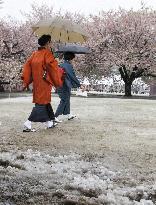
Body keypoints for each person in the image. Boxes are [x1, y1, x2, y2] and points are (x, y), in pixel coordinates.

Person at [22, 34, 63, 132]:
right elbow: (52, 68)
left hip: (37, 82)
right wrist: (56, 62)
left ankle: (50, 122)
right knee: (41, 103)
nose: (51, 44)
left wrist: (27, 80)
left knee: (45, 101)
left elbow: (27, 67)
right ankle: (28, 122)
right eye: (50, 42)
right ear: (48, 42)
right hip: (44, 82)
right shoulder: (47, 54)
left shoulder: (34, 54)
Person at [55, 52, 84, 122]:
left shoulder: (61, 65)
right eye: (73, 59)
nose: (73, 60)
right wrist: (80, 85)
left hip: (61, 85)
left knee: (67, 99)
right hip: (64, 86)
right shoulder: (68, 66)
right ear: (71, 58)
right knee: (64, 100)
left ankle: (68, 114)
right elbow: (72, 76)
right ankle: (55, 116)